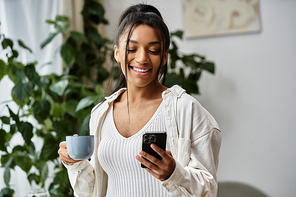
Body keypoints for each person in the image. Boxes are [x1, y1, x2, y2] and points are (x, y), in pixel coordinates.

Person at [58, 3, 222, 197]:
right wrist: (75, 163)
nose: (142, 58)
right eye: (132, 49)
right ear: (117, 53)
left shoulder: (186, 109)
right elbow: (94, 190)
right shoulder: (101, 113)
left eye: (153, 50)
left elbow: (208, 190)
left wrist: (174, 174)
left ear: (163, 57)